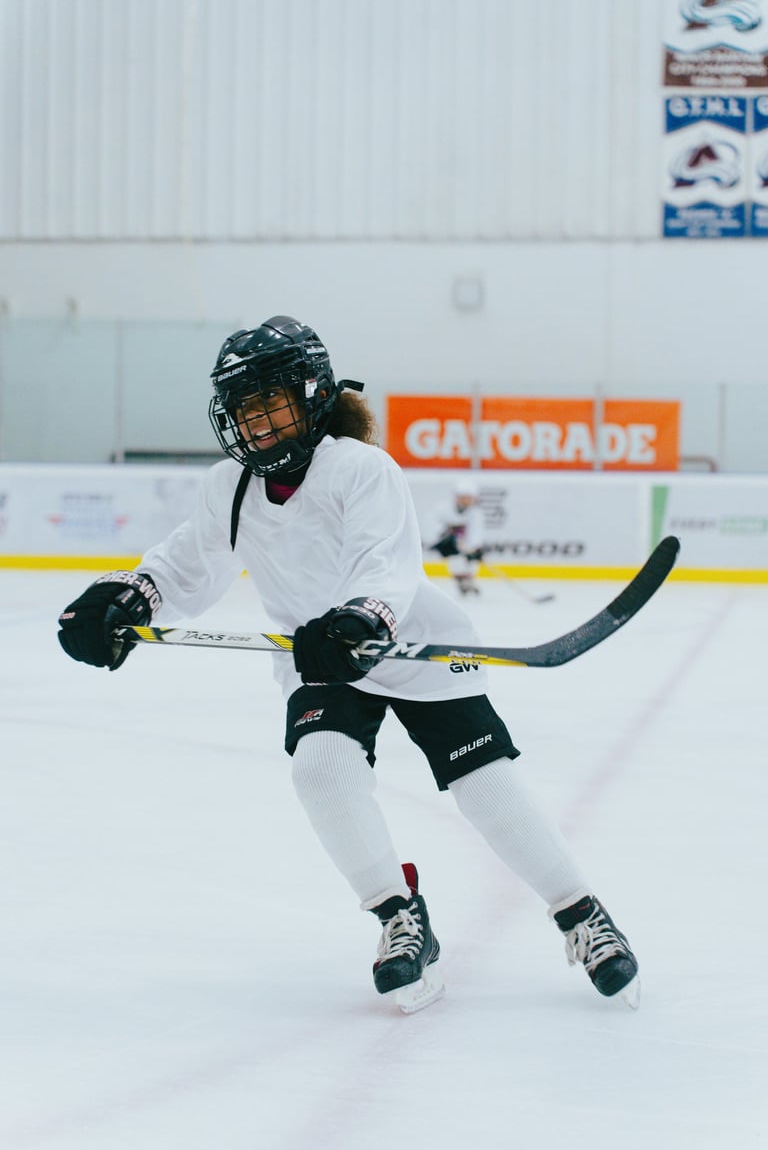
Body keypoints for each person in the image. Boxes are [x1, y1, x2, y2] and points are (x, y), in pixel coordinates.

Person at [57, 315, 639, 1013]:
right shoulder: (231, 488)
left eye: (270, 402)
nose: (258, 423)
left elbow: (383, 566)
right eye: (245, 409)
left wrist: (360, 619)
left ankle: (579, 912)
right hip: (322, 662)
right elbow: (189, 564)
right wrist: (129, 600)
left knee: (484, 783)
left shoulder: (358, 468)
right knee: (321, 772)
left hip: (409, 646)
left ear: (311, 397)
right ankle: (400, 915)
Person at [430, 478, 485, 596]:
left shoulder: (475, 513)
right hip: (445, 543)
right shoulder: (443, 509)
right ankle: (461, 579)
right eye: (463, 497)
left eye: (469, 498)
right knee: (454, 556)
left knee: (472, 558)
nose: (466, 501)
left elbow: (476, 532)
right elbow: (433, 525)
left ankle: (469, 579)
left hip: (463, 544)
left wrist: (473, 548)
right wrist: (446, 536)